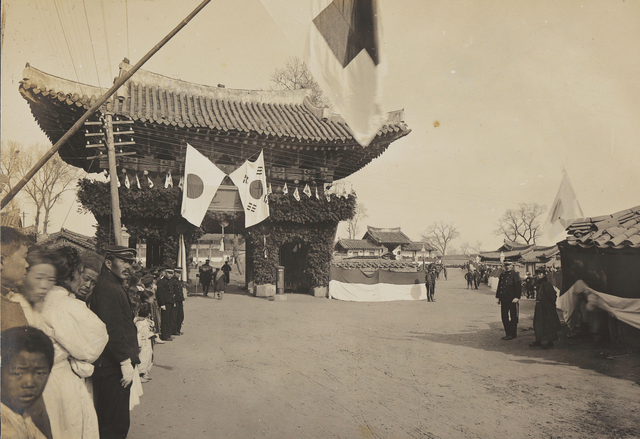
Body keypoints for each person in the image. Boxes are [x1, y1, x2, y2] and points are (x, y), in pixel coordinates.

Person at [35, 246, 108, 439]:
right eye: (82, 274)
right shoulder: (68, 306)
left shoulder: (39, 299)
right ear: (72, 274)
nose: (85, 283)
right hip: (61, 382)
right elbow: (95, 342)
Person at [89, 245, 141, 439]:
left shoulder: (113, 285)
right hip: (113, 365)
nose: (129, 267)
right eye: (124, 261)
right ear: (109, 264)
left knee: (112, 419)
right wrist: (124, 360)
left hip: (113, 363)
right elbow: (112, 328)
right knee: (114, 423)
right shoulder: (108, 288)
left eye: (131, 263)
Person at [1, 326, 55, 439]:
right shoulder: (5, 429)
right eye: (17, 373)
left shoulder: (22, 416)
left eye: (40, 373)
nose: (29, 383)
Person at [529, 267, 562, 349]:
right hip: (539, 306)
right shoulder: (538, 283)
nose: (539, 275)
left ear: (544, 275)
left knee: (548, 324)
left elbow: (552, 296)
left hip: (546, 307)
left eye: (540, 274)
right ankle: (538, 340)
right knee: (538, 323)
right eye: (537, 274)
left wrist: (550, 305)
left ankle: (550, 342)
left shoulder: (546, 284)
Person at [496, 261, 522, 340]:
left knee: (513, 317)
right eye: (506, 265)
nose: (507, 266)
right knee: (504, 316)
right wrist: (499, 297)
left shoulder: (515, 274)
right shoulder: (502, 275)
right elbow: (500, 286)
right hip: (504, 299)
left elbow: (518, 286)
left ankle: (512, 334)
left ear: (512, 265)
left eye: (509, 265)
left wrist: (517, 297)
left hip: (512, 299)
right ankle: (507, 333)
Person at [134, 304, 154, 382]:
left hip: (147, 341)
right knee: (143, 357)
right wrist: (139, 344)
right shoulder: (140, 323)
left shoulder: (147, 321)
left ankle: (145, 372)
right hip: (142, 342)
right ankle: (140, 374)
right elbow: (138, 334)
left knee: (148, 357)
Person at [156, 267, 176, 341]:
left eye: (172, 273)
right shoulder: (162, 282)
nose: (170, 275)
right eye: (169, 273)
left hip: (170, 302)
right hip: (165, 303)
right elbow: (160, 293)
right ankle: (165, 335)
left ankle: (168, 334)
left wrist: (173, 301)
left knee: (170, 319)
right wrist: (162, 304)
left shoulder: (169, 281)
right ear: (165, 273)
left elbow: (171, 292)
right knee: (165, 320)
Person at [172, 266, 185, 336]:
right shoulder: (172, 281)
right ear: (174, 272)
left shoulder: (178, 281)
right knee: (175, 316)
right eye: (177, 273)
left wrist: (182, 299)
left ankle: (178, 329)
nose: (178, 274)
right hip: (175, 300)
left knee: (180, 316)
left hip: (179, 300)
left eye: (180, 273)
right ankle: (174, 330)